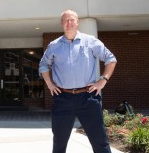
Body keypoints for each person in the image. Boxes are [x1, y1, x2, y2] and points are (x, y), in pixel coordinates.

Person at [39, 9, 117, 153]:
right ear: (62, 23)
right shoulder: (53, 45)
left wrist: (103, 80)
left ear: (77, 22)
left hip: (88, 97)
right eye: (66, 20)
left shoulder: (91, 41)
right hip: (63, 98)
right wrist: (49, 83)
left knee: (100, 141)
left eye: (72, 20)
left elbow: (111, 59)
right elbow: (43, 65)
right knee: (59, 142)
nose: (69, 23)